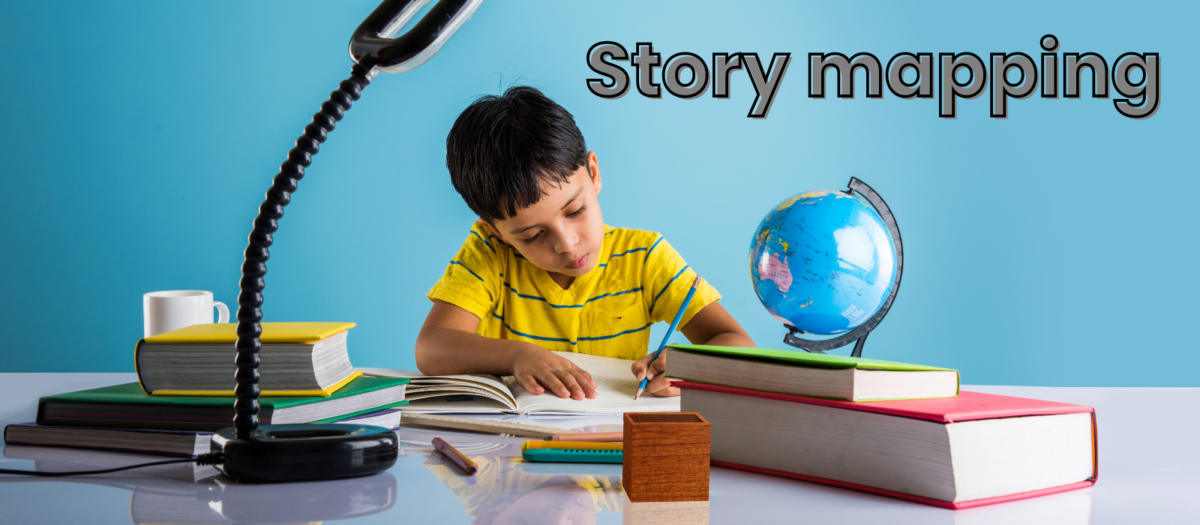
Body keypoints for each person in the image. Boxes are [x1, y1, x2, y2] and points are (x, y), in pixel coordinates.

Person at [416, 86, 755, 400]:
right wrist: (517, 355)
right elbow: (431, 347)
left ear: (593, 173)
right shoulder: (490, 255)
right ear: (496, 231)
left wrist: (689, 364)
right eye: (533, 235)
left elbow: (740, 345)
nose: (567, 243)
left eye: (575, 210)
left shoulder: (644, 259)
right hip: (515, 447)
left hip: (613, 443)